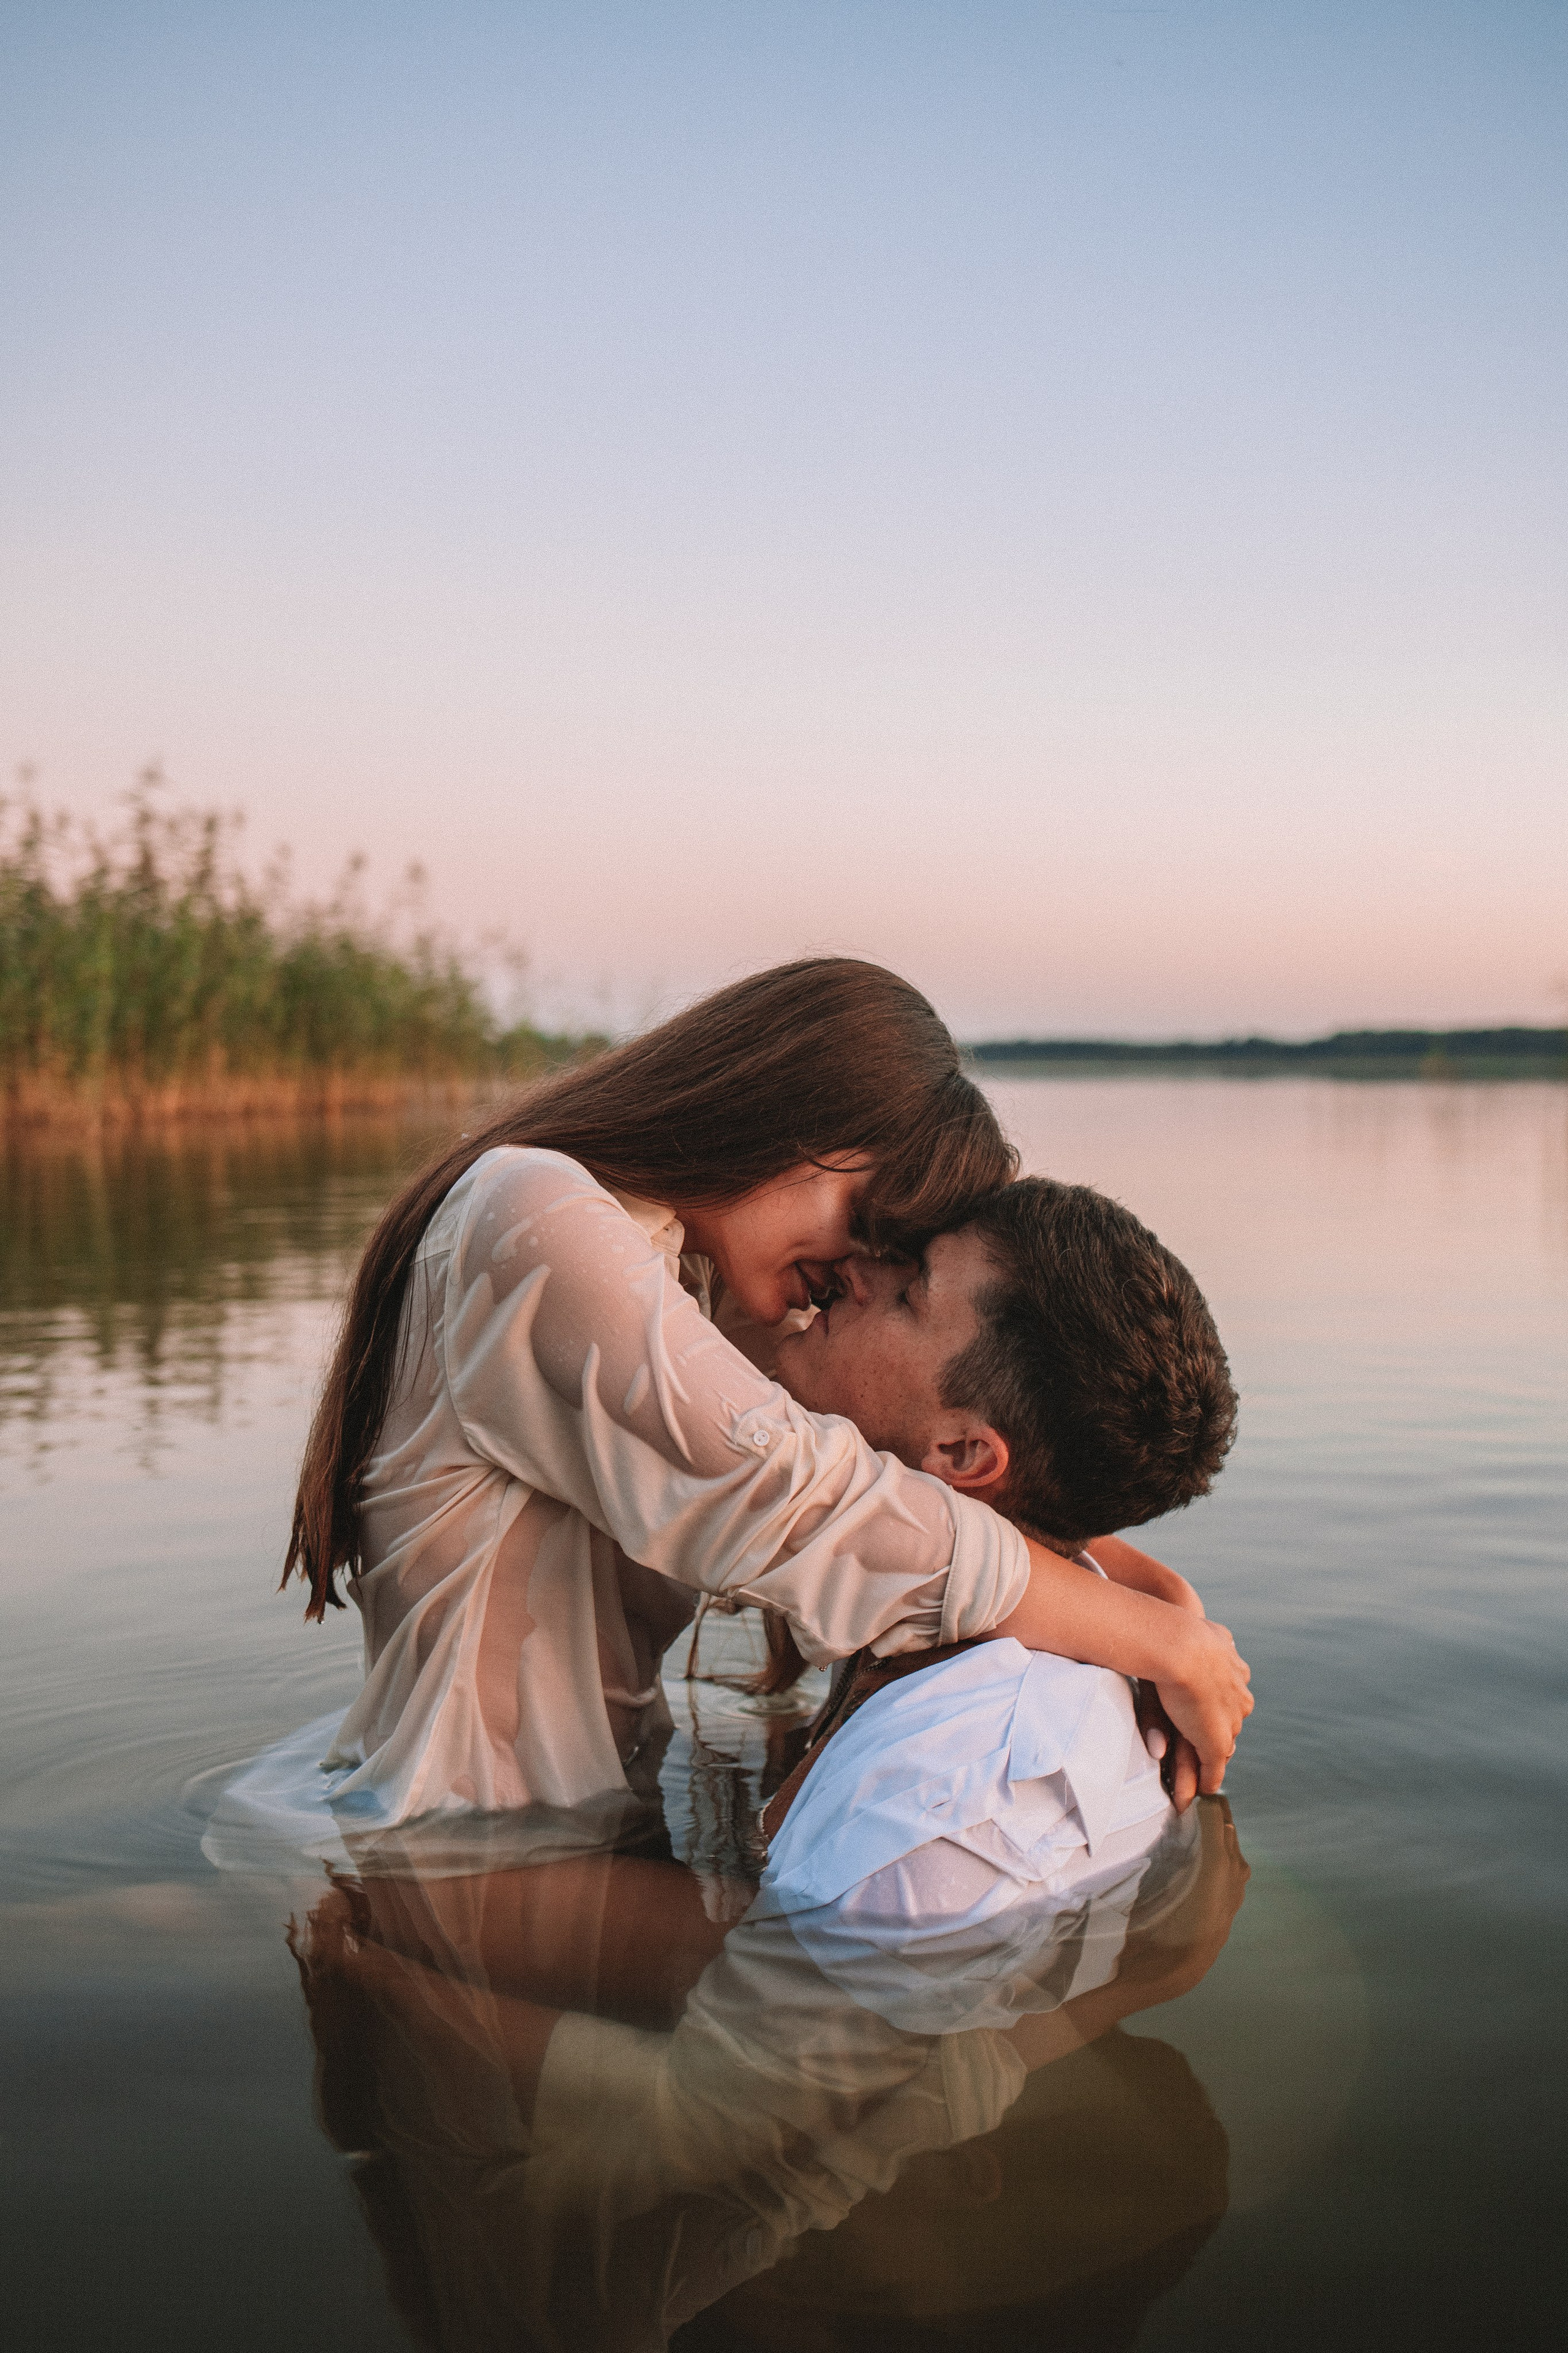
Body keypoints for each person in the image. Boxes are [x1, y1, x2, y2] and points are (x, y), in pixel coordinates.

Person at [273, 958, 1250, 1857]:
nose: (859, 1269)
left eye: (897, 1258)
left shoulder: (676, 1283)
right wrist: (1149, 1637)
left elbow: (889, 1466)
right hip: (460, 1859)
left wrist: (1135, 1582)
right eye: (869, 1225)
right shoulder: (537, 1221)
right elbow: (795, 1497)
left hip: (573, 1832)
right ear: (790, 1117)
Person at [756, 1175, 1241, 1925]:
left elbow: (767, 2031)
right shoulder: (954, 1613)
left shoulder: (940, 1804)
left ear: (961, 1453)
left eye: (910, 1291)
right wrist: (1167, 1613)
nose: (854, 1268)